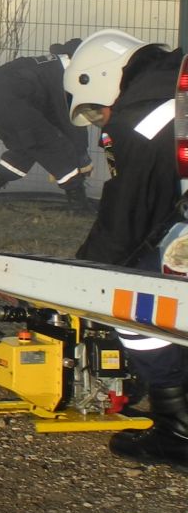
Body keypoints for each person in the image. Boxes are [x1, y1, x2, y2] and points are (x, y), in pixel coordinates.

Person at [66, 29, 188, 470]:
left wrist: (79, 280)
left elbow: (128, 217)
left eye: (96, 112)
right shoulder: (172, 82)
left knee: (133, 298)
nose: (102, 122)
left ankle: (177, 425)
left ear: (99, 80)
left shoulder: (140, 116)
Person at [0, 38, 94, 207]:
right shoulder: (64, 75)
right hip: (10, 100)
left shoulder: (48, 66)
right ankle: (78, 202)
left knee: (27, 146)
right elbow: (68, 121)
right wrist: (82, 158)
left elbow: (56, 116)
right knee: (54, 145)